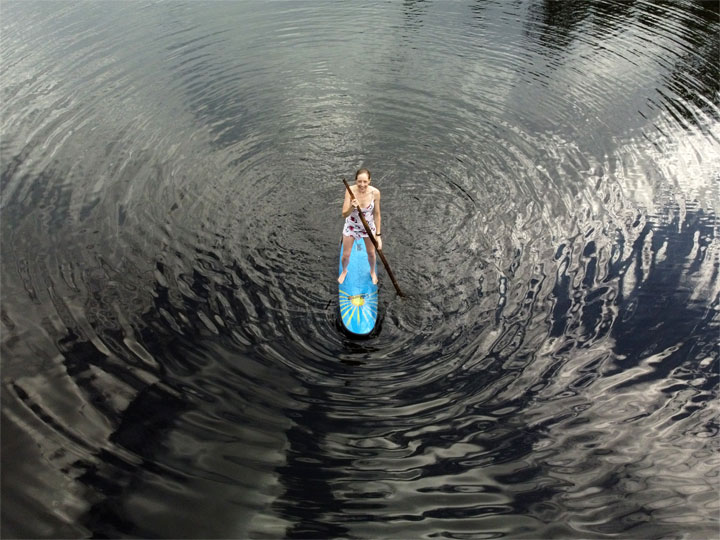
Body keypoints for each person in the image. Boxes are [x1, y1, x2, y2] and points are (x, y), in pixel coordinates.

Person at [338, 168, 382, 285]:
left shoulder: (375, 193)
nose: (362, 185)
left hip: (368, 227)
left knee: (371, 253)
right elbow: (344, 214)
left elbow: (377, 214)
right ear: (356, 181)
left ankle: (372, 271)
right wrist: (352, 207)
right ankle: (344, 271)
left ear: (369, 181)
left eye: (365, 182)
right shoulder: (350, 191)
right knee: (346, 255)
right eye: (359, 182)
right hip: (352, 226)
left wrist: (378, 235)